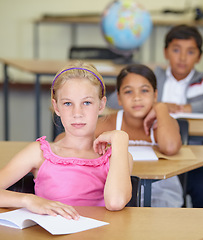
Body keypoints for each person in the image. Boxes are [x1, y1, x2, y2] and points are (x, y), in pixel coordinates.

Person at [108, 24, 203, 208]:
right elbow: (114, 100)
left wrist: (190, 107)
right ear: (165, 52)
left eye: (190, 52)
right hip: (155, 146)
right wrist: (155, 106)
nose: (182, 58)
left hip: (195, 148)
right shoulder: (154, 76)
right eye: (176, 50)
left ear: (199, 56)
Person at [0, 61, 133, 219]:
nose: (78, 113)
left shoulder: (116, 157)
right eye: (68, 103)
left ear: (101, 105)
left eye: (87, 102)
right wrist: (29, 200)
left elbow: (116, 202)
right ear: (56, 108)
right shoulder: (39, 153)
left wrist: (120, 139)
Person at [96, 64, 183, 207]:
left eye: (144, 91)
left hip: (161, 192)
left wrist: (161, 108)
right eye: (128, 92)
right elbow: (67, 139)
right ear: (119, 98)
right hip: (118, 192)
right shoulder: (109, 122)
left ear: (155, 95)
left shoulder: (164, 122)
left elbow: (171, 147)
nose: (137, 98)